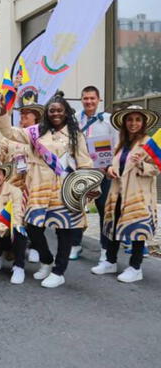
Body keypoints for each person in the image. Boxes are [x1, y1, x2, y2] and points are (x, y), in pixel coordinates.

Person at [0, 92, 94, 288]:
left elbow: (84, 162)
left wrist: (85, 188)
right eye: (52, 111)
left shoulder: (75, 135)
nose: (56, 113)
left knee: (64, 230)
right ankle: (47, 260)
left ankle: (59, 271)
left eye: (59, 110)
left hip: (63, 188)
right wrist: (3, 110)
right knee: (33, 227)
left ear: (66, 113)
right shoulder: (36, 132)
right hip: (38, 187)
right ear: (47, 114)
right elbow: (8, 132)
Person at [91, 106, 159, 283]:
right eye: (130, 120)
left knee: (138, 230)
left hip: (138, 194)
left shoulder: (149, 143)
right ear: (124, 122)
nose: (133, 123)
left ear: (143, 123)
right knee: (113, 227)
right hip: (118, 192)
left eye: (137, 120)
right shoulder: (121, 144)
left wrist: (141, 165)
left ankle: (135, 268)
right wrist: (110, 169)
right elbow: (116, 164)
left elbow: (157, 168)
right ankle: (111, 261)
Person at [69, 86, 118, 261]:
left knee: (105, 210)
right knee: (76, 208)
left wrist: (111, 166)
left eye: (92, 98)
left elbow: (116, 146)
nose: (89, 101)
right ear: (81, 100)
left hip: (103, 174)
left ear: (99, 100)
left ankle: (105, 249)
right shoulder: (74, 120)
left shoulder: (109, 121)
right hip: (81, 173)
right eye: (86, 98)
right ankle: (75, 245)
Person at [9, 104, 45, 264]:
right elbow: (1, 149)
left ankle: (36, 247)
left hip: (36, 181)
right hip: (16, 182)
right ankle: (19, 248)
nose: (22, 115)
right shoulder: (15, 133)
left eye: (27, 113)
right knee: (17, 217)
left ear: (36, 116)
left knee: (35, 218)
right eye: (21, 113)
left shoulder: (42, 134)